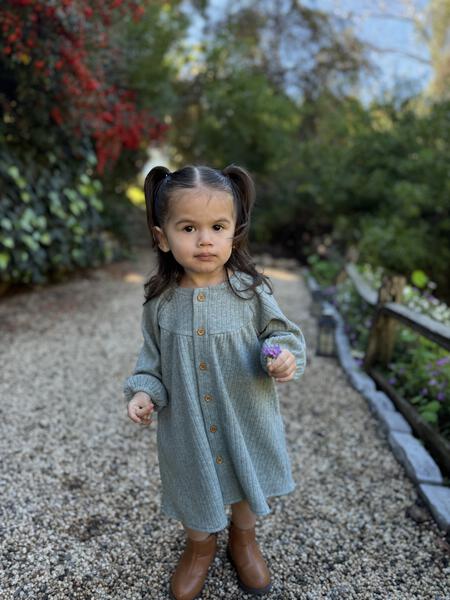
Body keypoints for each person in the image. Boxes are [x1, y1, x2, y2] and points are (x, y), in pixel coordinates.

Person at [123, 164, 307, 600]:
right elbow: (150, 361)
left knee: (245, 481)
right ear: (162, 237)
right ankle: (199, 547)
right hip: (186, 424)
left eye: (217, 226)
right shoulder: (160, 303)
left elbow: (282, 334)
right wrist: (145, 392)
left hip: (243, 415)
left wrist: (282, 356)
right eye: (189, 227)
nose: (205, 239)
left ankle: (244, 539)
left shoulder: (250, 291)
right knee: (192, 481)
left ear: (234, 234)